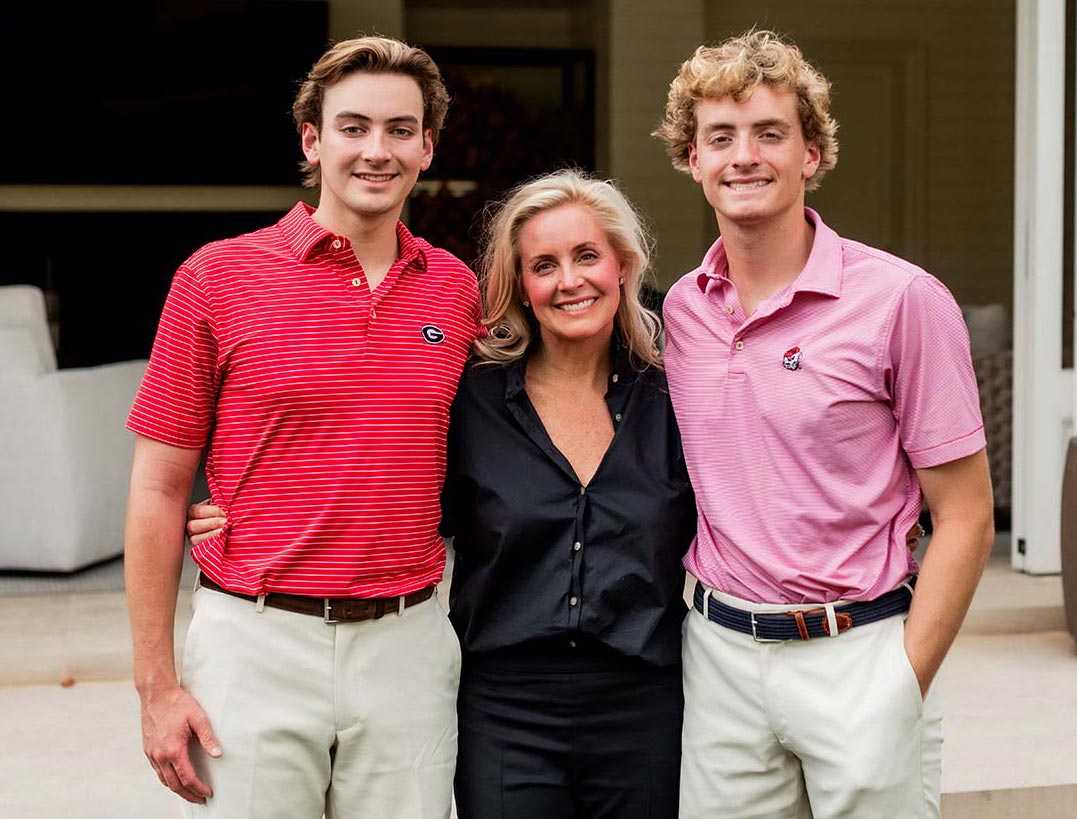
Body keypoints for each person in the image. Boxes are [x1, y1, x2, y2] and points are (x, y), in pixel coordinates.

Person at [123, 36, 479, 818]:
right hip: (254, 639)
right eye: (353, 127)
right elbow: (156, 486)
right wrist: (157, 684)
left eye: (399, 129)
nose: (376, 150)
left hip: (408, 642)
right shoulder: (216, 276)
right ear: (313, 141)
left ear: (428, 146)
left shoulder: (458, 291)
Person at [652, 29, 995, 818]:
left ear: (811, 154)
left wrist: (905, 676)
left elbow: (968, 515)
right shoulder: (682, 310)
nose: (745, 155)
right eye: (720, 137)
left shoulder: (903, 301)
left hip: (860, 651)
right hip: (719, 660)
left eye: (771, 133)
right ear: (693, 159)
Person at [441, 170, 695, 818]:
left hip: (644, 706)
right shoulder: (472, 401)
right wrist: (249, 510)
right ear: (521, 285)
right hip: (504, 708)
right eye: (544, 265)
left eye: (586, 256)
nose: (569, 280)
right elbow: (388, 493)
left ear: (621, 265)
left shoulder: (676, 398)